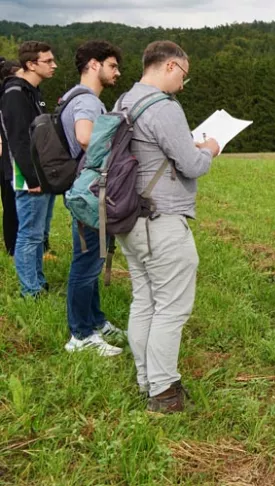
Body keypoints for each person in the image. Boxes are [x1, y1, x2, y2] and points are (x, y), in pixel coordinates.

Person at [115, 41, 220, 413]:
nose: (183, 84)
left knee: (144, 301)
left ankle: (147, 380)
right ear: (172, 66)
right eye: (184, 76)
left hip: (127, 217)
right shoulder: (164, 107)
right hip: (161, 220)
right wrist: (210, 148)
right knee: (171, 309)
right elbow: (192, 165)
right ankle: (163, 392)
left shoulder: (124, 102)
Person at [61, 40, 127, 356]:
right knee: (86, 264)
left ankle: (96, 322)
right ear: (92, 64)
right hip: (88, 196)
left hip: (83, 193)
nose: (118, 72)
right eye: (112, 65)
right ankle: (81, 335)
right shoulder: (87, 102)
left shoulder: (77, 97)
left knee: (91, 259)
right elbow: (85, 137)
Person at [2, 41, 56, 297]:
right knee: (30, 233)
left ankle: (38, 281)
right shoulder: (15, 94)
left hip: (41, 173)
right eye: (48, 61)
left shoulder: (32, 92)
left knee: (39, 233)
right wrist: (32, 178)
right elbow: (18, 141)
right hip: (28, 175)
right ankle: (30, 290)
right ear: (30, 64)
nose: (54, 65)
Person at [0, 56, 21, 257]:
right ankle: (12, 247)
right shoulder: (10, 94)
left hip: (14, 158)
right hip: (11, 159)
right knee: (11, 202)